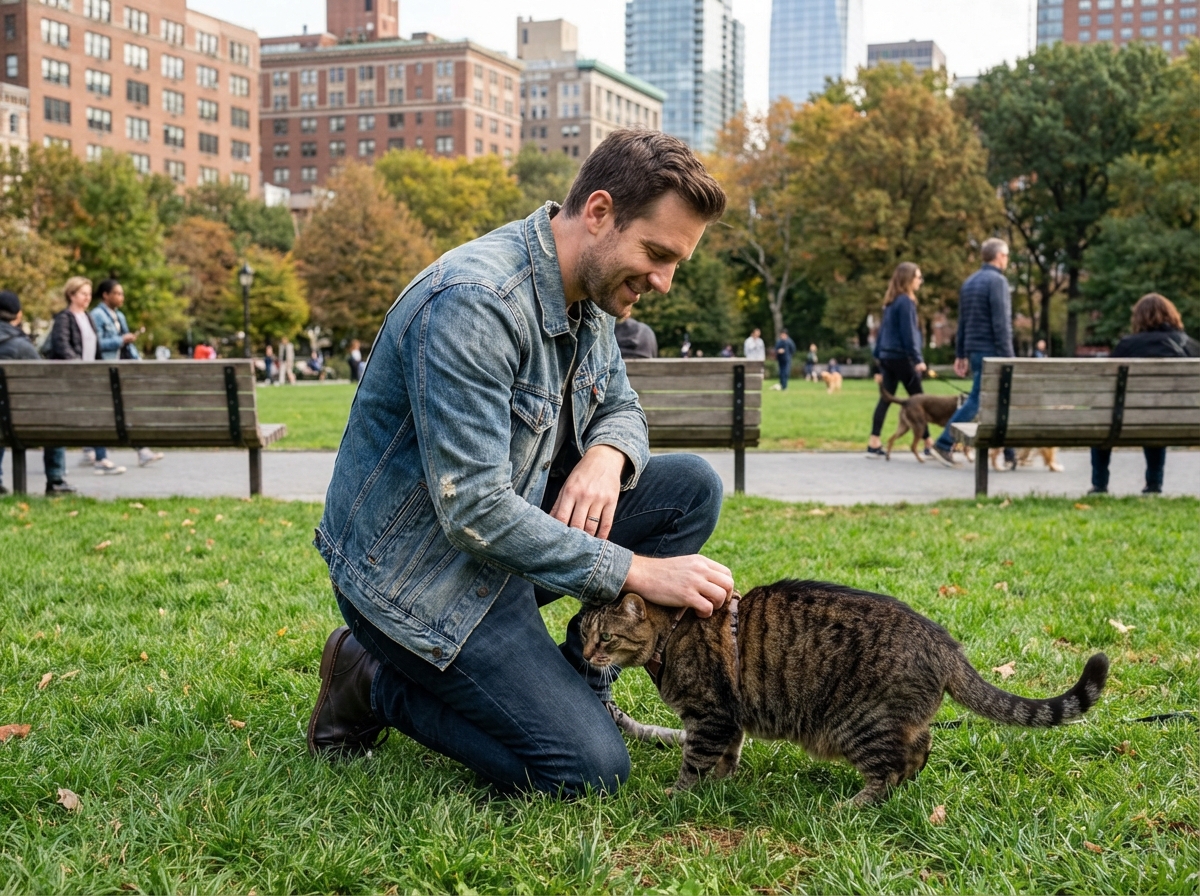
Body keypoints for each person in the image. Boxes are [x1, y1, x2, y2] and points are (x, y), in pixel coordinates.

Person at [307, 128, 734, 798]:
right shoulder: (474, 304)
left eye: (676, 262)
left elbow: (621, 404)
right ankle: (367, 678)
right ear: (599, 213)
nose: (665, 282)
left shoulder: (588, 294)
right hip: (419, 580)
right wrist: (641, 570)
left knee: (690, 490)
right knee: (587, 772)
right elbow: (474, 509)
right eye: (656, 254)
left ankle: (582, 686)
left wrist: (607, 453)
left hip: (503, 552)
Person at [1090, 293, 1200, 495]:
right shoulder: (1189, 346)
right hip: (1181, 420)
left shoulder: (1127, 346)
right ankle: (1154, 485)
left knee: (1103, 419)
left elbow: (1104, 388)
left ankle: (1099, 485)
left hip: (1125, 420)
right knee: (1157, 419)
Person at [931, 238, 1017, 469]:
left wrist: (961, 354)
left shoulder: (969, 283)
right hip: (994, 350)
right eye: (1006, 255)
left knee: (1000, 401)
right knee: (978, 400)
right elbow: (1001, 324)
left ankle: (1010, 453)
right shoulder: (997, 282)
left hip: (975, 350)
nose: (1007, 260)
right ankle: (944, 443)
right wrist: (1010, 357)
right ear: (999, 256)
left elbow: (963, 323)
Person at [0, 290, 75, 495]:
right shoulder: (23, 347)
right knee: (52, 416)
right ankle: (55, 480)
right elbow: (44, 384)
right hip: (22, 420)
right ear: (18, 315)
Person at [89, 278, 163, 468]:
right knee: (107, 412)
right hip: (107, 368)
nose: (121, 297)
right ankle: (100, 454)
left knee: (125, 410)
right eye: (117, 293)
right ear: (106, 295)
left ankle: (140, 450)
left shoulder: (119, 316)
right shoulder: (97, 315)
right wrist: (120, 340)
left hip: (121, 368)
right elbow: (96, 344)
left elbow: (127, 344)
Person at [44, 277, 107, 489]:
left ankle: (93, 453)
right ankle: (58, 473)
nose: (87, 298)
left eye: (89, 294)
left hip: (86, 376)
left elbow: (95, 349)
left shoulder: (88, 317)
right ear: (71, 295)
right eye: (83, 294)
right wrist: (80, 368)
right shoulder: (65, 318)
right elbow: (62, 346)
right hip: (70, 379)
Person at [867, 262, 931, 459]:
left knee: (886, 398)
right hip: (902, 358)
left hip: (887, 357)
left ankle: (874, 442)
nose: (920, 281)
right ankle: (929, 443)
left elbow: (882, 333)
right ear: (908, 279)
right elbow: (909, 334)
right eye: (918, 277)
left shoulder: (891, 302)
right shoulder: (905, 302)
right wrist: (917, 359)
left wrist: (878, 357)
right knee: (920, 401)